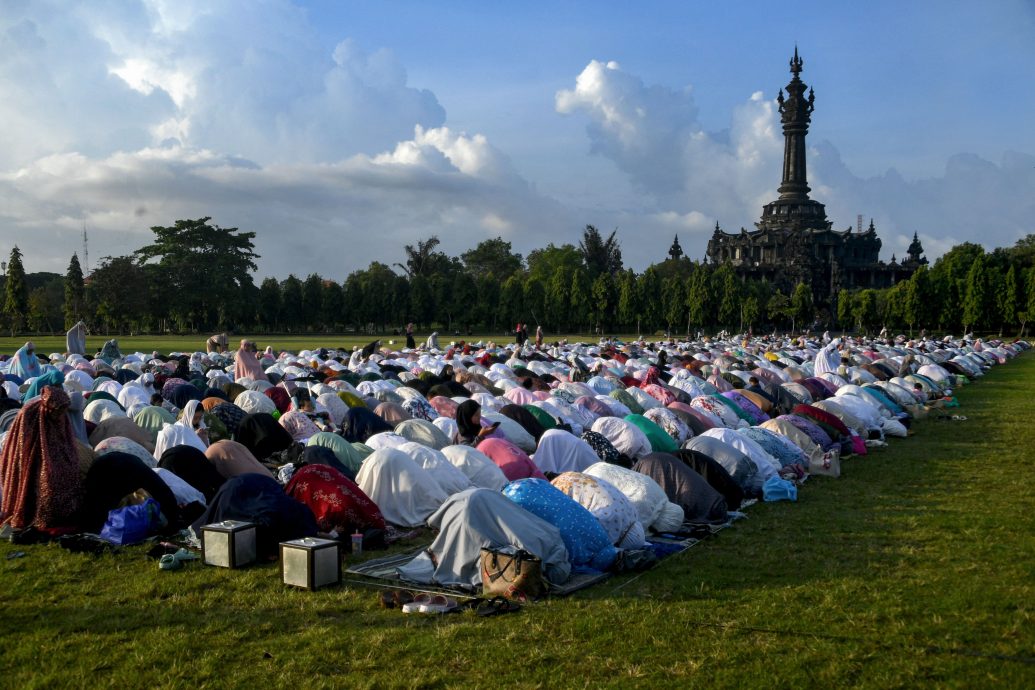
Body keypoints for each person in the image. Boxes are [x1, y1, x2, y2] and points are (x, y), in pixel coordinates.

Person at [0, 387, 83, 536]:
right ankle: (36, 516)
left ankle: (58, 516)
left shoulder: (61, 415)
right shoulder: (30, 413)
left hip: (54, 449)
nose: (59, 414)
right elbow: (23, 444)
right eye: (58, 410)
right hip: (31, 454)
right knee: (39, 481)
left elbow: (64, 438)